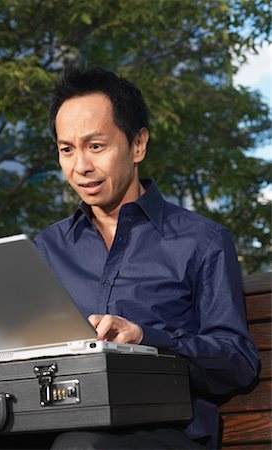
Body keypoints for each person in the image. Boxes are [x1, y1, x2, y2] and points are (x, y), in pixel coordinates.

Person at [34, 67, 259, 449]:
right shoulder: (48, 248)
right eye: (66, 149)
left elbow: (237, 359)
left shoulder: (202, 241)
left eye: (96, 146)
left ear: (138, 144)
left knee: (81, 446)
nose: (80, 166)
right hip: (59, 420)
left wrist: (146, 339)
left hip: (165, 430)